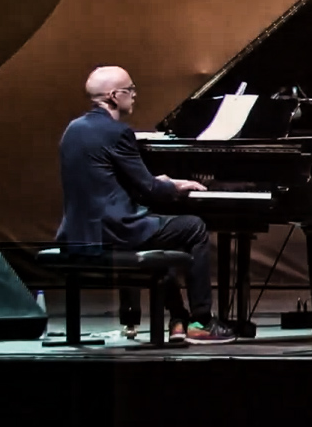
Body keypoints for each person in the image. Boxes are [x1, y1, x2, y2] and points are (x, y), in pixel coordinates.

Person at [57, 66, 236, 344]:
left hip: (79, 233)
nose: (135, 95)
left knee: (164, 233)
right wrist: (176, 186)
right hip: (117, 231)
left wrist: (158, 181)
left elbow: (109, 179)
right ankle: (201, 321)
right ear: (114, 96)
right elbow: (150, 190)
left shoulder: (73, 129)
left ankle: (178, 319)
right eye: (130, 89)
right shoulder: (118, 132)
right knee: (194, 227)